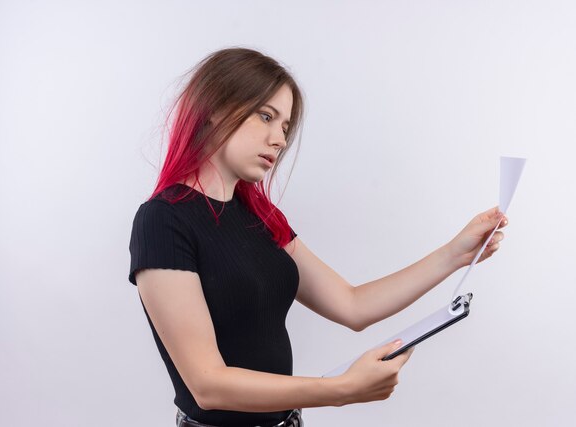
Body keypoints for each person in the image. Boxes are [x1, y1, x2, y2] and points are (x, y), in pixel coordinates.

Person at [127, 47, 507, 427]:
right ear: (215, 107)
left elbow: (351, 305)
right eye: (266, 116)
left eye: (286, 127)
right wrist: (342, 390)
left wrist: (455, 253)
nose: (278, 139)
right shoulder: (163, 220)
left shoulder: (261, 218)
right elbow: (208, 386)